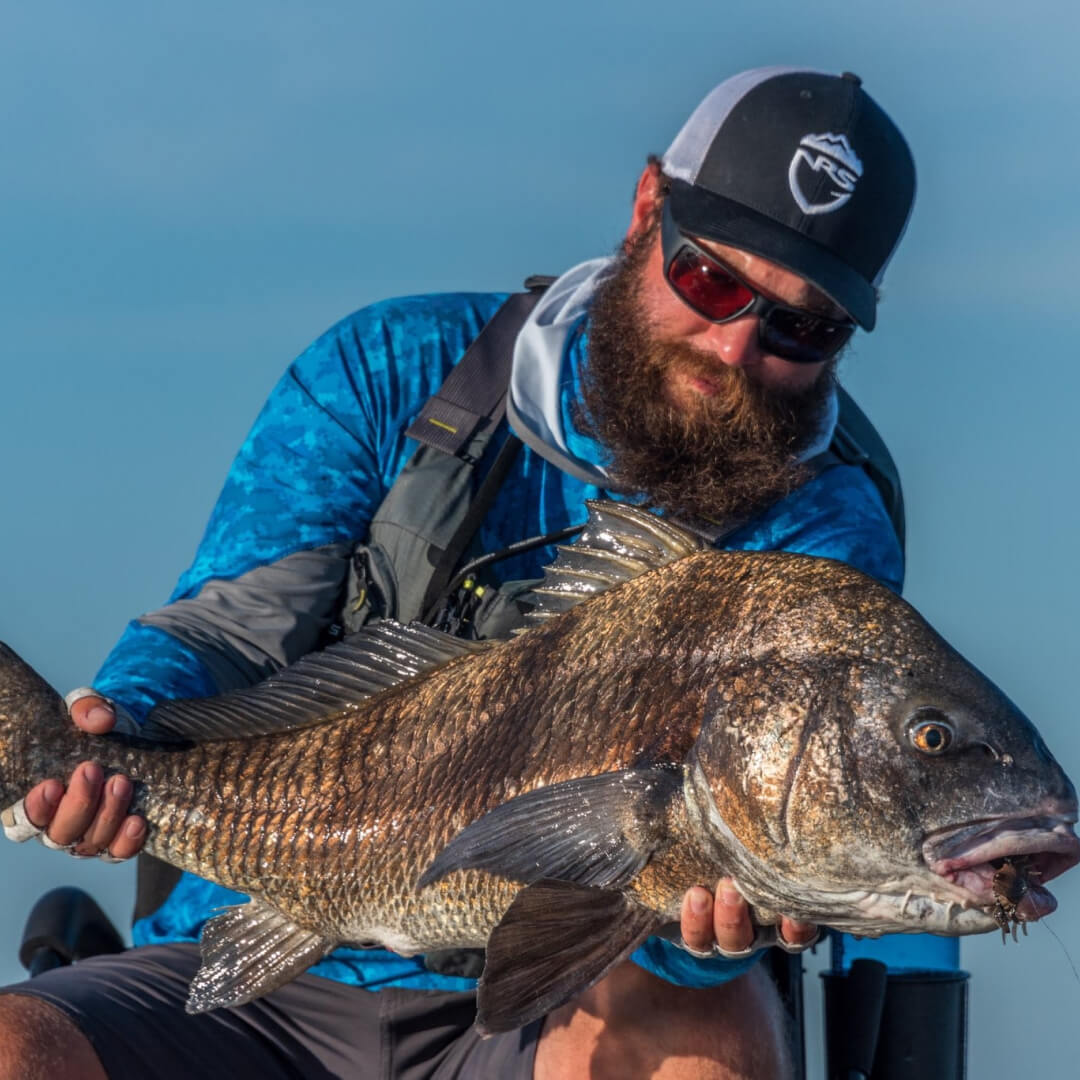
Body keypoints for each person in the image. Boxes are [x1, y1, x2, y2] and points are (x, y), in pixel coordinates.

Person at [0, 66, 916, 1079]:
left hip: (560, 994)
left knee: (706, 1042)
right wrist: (110, 734)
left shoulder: (828, 530)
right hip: (259, 942)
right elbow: (230, 630)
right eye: (710, 280)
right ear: (648, 208)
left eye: (804, 327)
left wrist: (714, 943)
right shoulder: (392, 365)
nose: (737, 344)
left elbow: (749, 860)